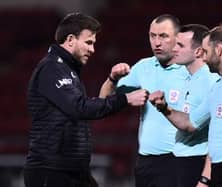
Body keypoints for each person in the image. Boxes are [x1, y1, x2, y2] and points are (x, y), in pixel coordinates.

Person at [23, 12, 149, 187]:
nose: (92, 49)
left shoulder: (68, 70)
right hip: (51, 171)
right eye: (88, 42)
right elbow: (80, 107)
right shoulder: (51, 68)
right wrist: (125, 99)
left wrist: (112, 80)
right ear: (70, 40)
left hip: (74, 171)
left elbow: (88, 107)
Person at [149, 25, 222, 187]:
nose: (203, 58)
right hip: (218, 169)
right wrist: (164, 108)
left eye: (206, 52)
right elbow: (191, 124)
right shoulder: (218, 86)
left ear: (218, 50)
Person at [99, 14, 189, 187]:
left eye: (163, 36)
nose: (156, 42)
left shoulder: (191, 69)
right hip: (145, 162)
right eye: (152, 36)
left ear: (178, 38)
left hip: (178, 160)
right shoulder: (143, 67)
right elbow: (103, 101)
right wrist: (112, 78)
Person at [168, 24, 220, 187]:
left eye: (180, 45)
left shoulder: (213, 82)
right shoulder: (185, 78)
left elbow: (214, 132)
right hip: (180, 160)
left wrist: (205, 177)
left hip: (198, 162)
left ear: (198, 51)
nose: (174, 49)